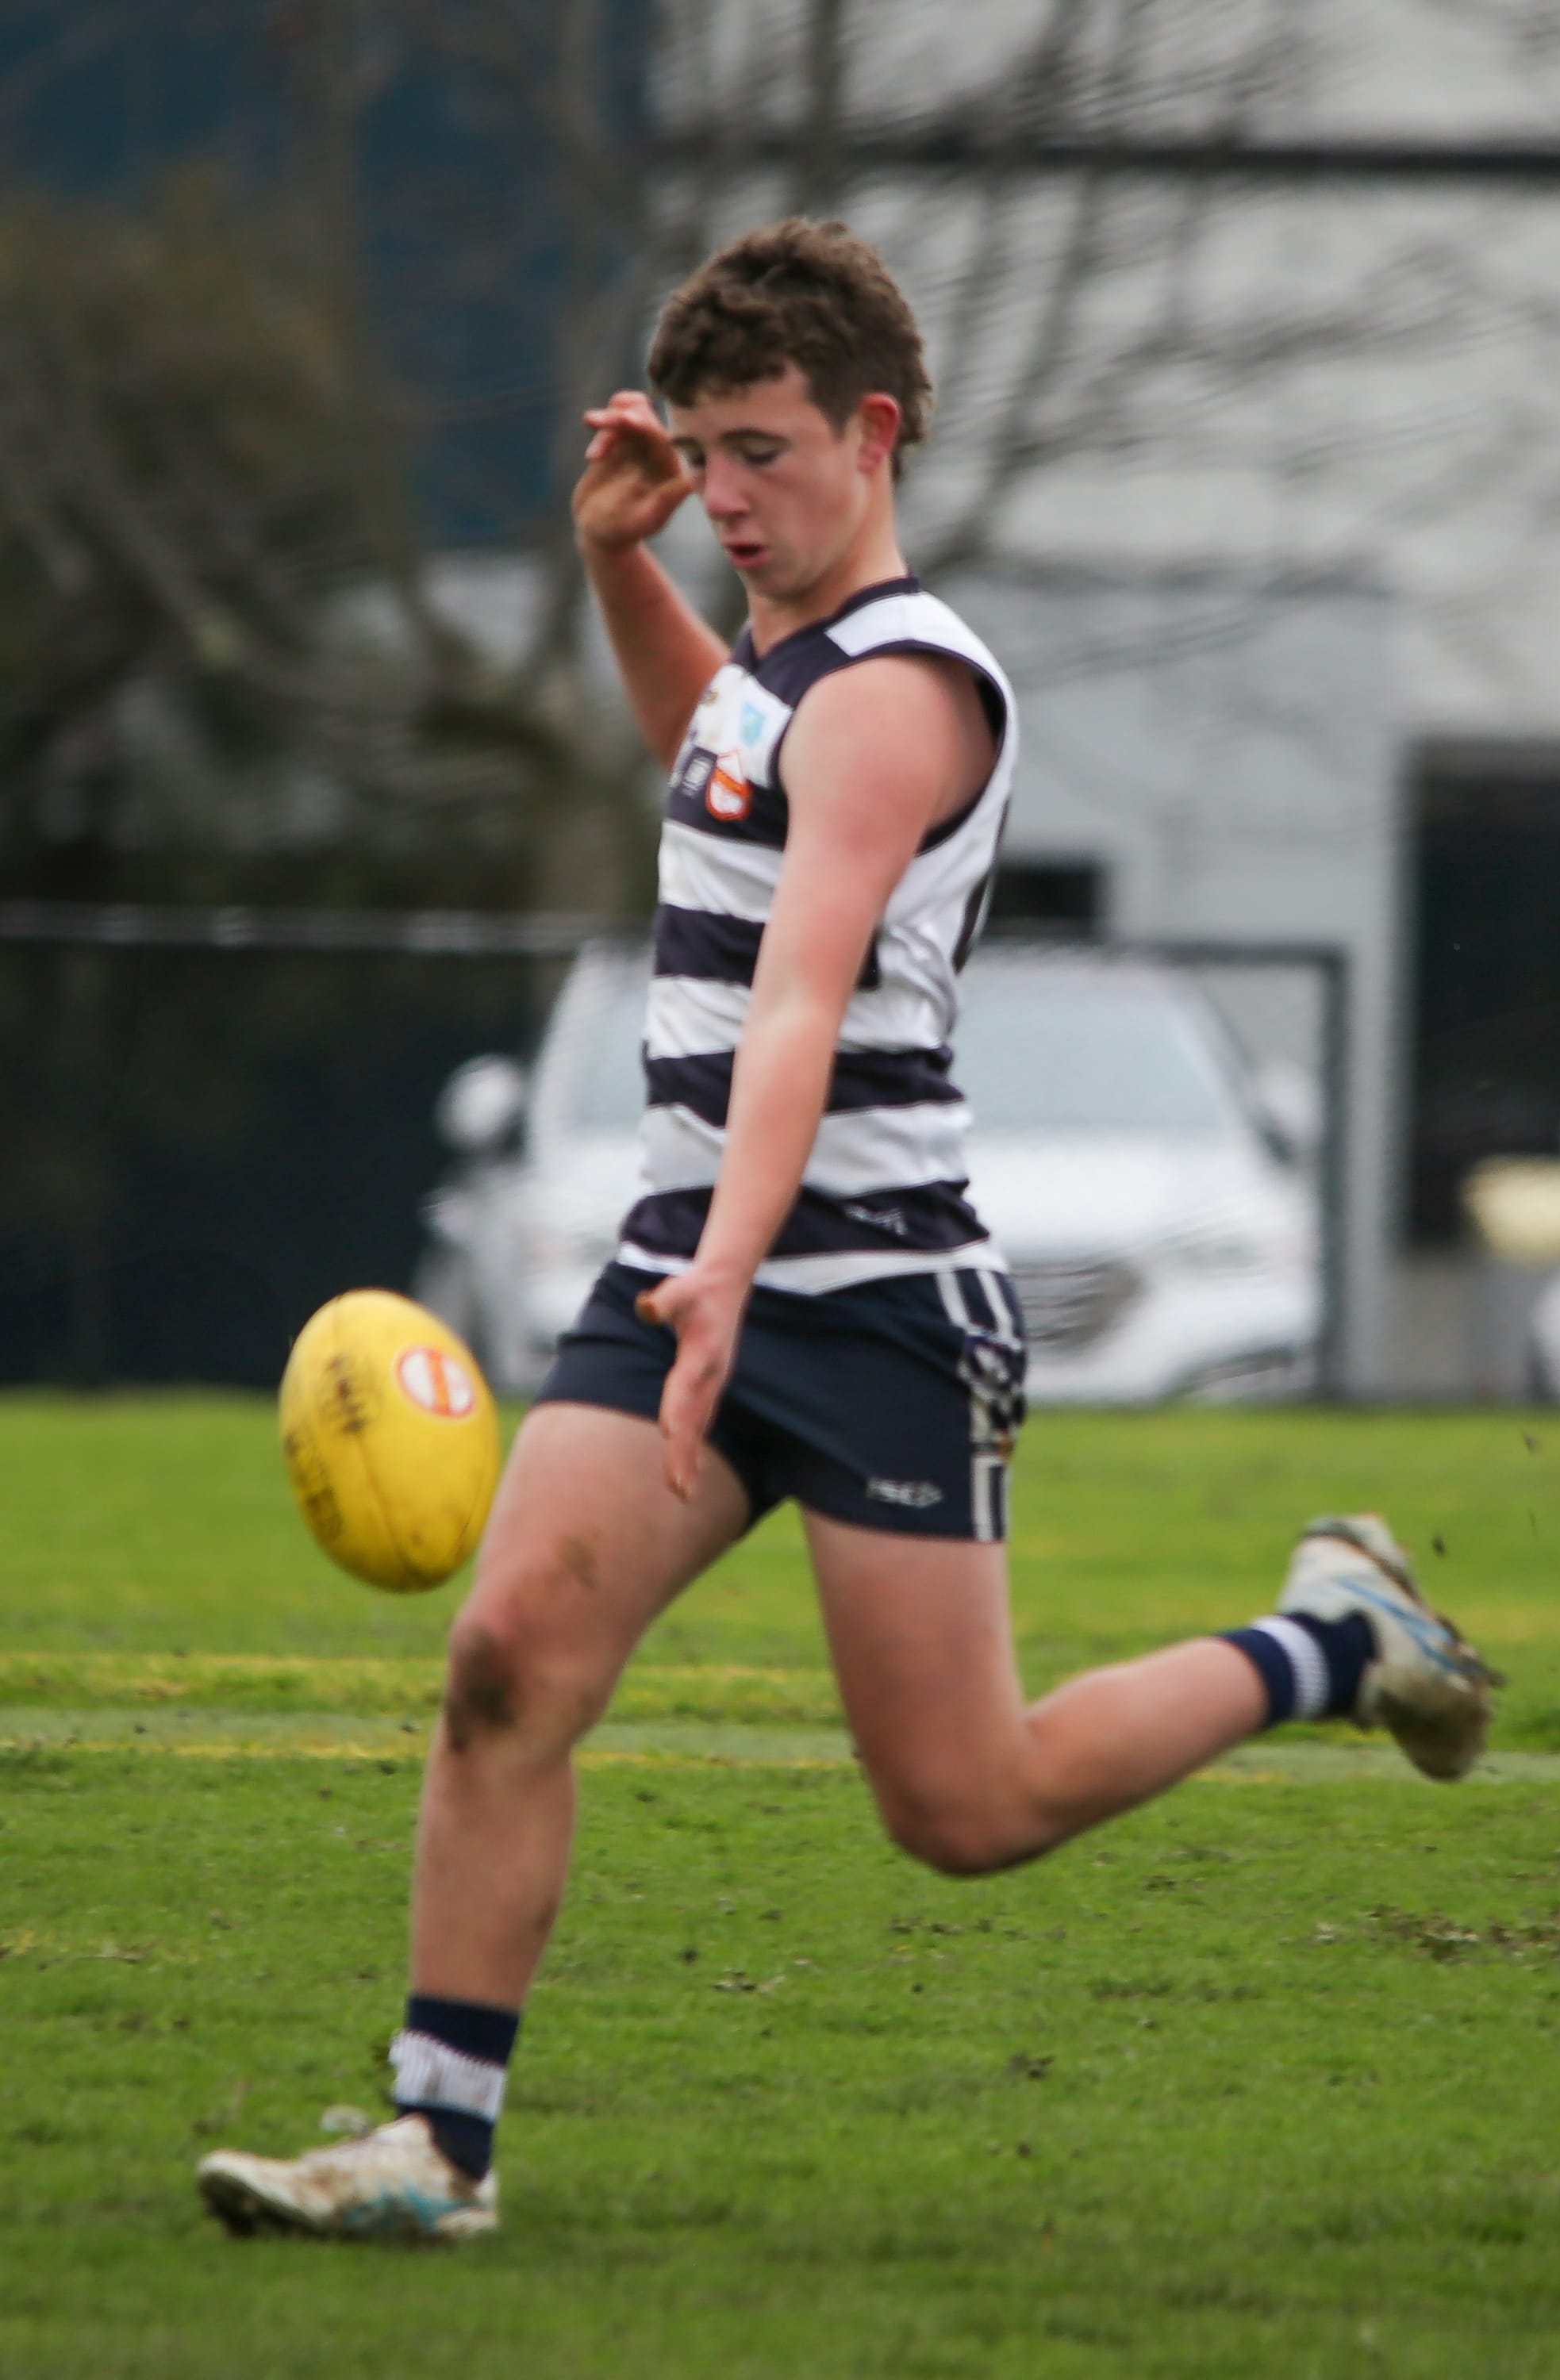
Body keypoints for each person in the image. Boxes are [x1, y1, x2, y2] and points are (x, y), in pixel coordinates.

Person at [198, 220, 1494, 2243]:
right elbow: (714, 766)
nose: (724, 493)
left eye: (762, 452)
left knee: (964, 1805)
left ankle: (1336, 1639)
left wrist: (734, 1258)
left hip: (871, 1299)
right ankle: (433, 2149)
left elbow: (802, 993)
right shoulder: (777, 677)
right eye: (698, 450)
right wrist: (617, 565)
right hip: (689, 1269)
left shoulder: (899, 690)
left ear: (871, 436)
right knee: (508, 1662)